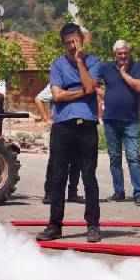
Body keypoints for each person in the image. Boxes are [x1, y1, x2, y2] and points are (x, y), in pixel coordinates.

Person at [36, 23, 102, 243]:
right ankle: (55, 225)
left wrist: (81, 62)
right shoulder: (57, 64)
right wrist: (83, 92)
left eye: (75, 42)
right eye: (68, 44)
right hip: (63, 125)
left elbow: (91, 88)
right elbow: (56, 96)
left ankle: (93, 225)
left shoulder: (93, 62)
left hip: (87, 126)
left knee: (89, 176)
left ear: (82, 39)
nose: (72, 47)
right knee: (58, 176)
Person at [98, 39, 140, 206]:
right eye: (119, 53)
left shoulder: (137, 67)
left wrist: (124, 73)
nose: (122, 56)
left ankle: (138, 193)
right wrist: (105, 94)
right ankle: (118, 192)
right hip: (110, 120)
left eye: (125, 52)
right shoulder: (105, 68)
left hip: (130, 121)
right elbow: (92, 84)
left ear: (129, 52)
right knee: (115, 158)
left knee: (133, 157)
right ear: (114, 55)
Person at [35, 84, 83, 205]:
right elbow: (38, 99)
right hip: (60, 126)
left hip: (78, 126)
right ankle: (49, 194)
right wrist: (46, 118)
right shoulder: (56, 82)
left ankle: (73, 194)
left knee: (76, 162)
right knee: (55, 161)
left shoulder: (80, 81)